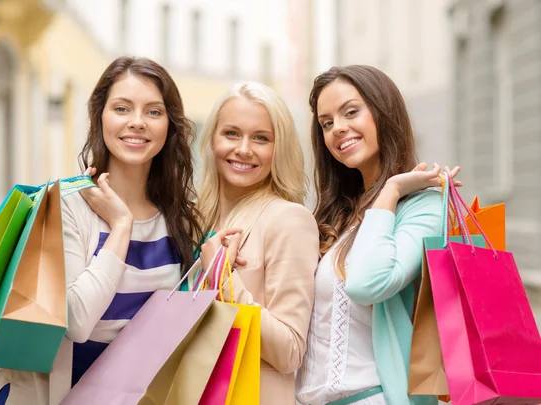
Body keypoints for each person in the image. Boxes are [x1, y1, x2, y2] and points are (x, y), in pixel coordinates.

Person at [0, 56, 202, 405]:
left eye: (153, 111)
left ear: (170, 125)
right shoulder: (67, 205)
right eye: (122, 108)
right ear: (100, 116)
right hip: (53, 393)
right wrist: (121, 227)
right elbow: (76, 321)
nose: (137, 123)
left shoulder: (179, 218)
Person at [296, 65, 461, 405]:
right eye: (326, 123)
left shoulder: (422, 208)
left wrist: (391, 190)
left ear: (383, 113)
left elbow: (368, 284)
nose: (338, 128)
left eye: (351, 112)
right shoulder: (333, 216)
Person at [193, 82, 320, 405]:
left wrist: (223, 277)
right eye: (232, 133)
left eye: (261, 138)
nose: (244, 149)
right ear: (212, 140)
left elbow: (290, 350)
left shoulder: (289, 220)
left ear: (280, 149)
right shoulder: (194, 221)